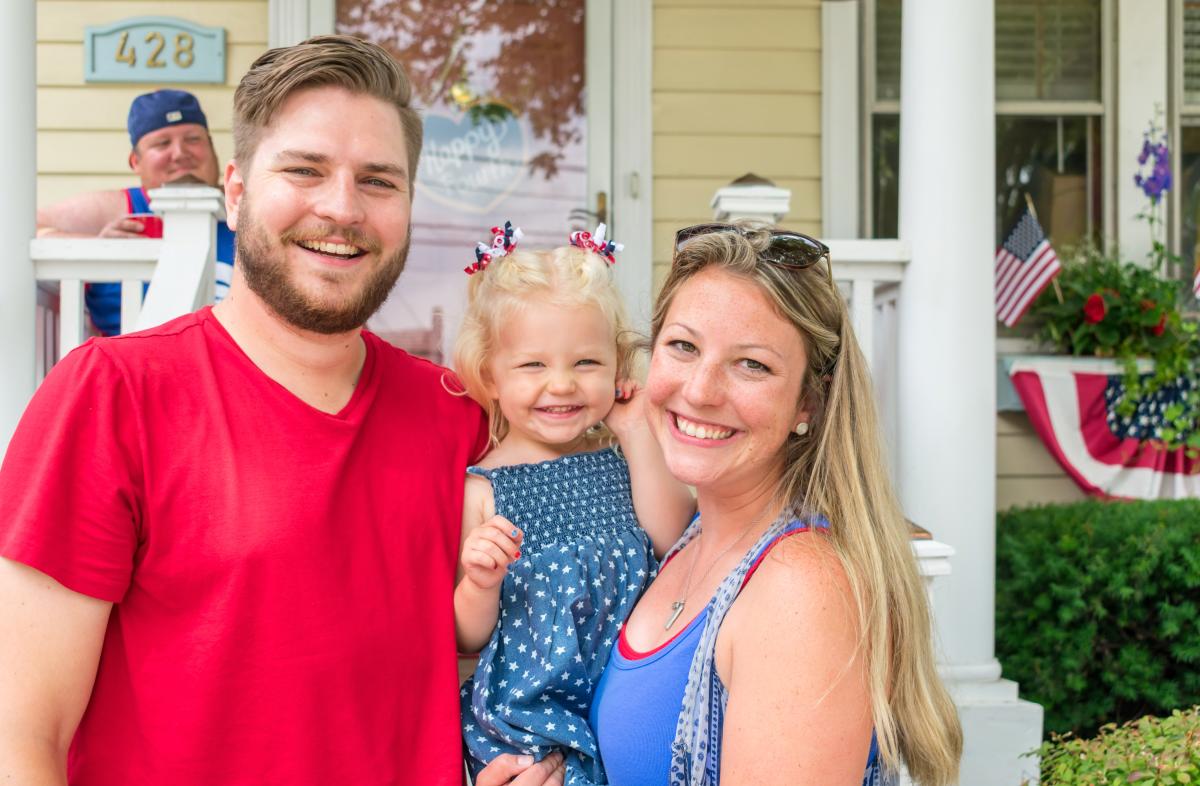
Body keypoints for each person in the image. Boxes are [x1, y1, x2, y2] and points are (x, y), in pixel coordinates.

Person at [0, 35, 517, 785]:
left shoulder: (456, 415)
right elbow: (24, 736)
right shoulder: (113, 396)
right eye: (305, 170)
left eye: (378, 181)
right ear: (236, 191)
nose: (342, 208)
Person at [485, 221, 962, 786]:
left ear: (808, 402)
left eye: (752, 364)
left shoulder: (800, 590)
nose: (701, 390)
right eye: (683, 347)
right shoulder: (679, 541)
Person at [452, 222, 694, 783]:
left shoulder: (624, 458)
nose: (560, 385)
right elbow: (467, 640)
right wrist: (479, 583)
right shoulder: (483, 490)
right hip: (532, 723)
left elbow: (675, 542)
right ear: (490, 374)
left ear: (616, 365)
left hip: (629, 700)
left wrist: (635, 433)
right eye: (533, 365)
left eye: (585, 364)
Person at [36, 88, 236, 335]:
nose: (180, 153)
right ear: (135, 161)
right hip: (128, 366)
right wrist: (97, 245)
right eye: (162, 143)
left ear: (212, 148)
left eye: (193, 139)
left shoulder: (244, 205)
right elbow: (23, 227)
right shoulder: (116, 208)